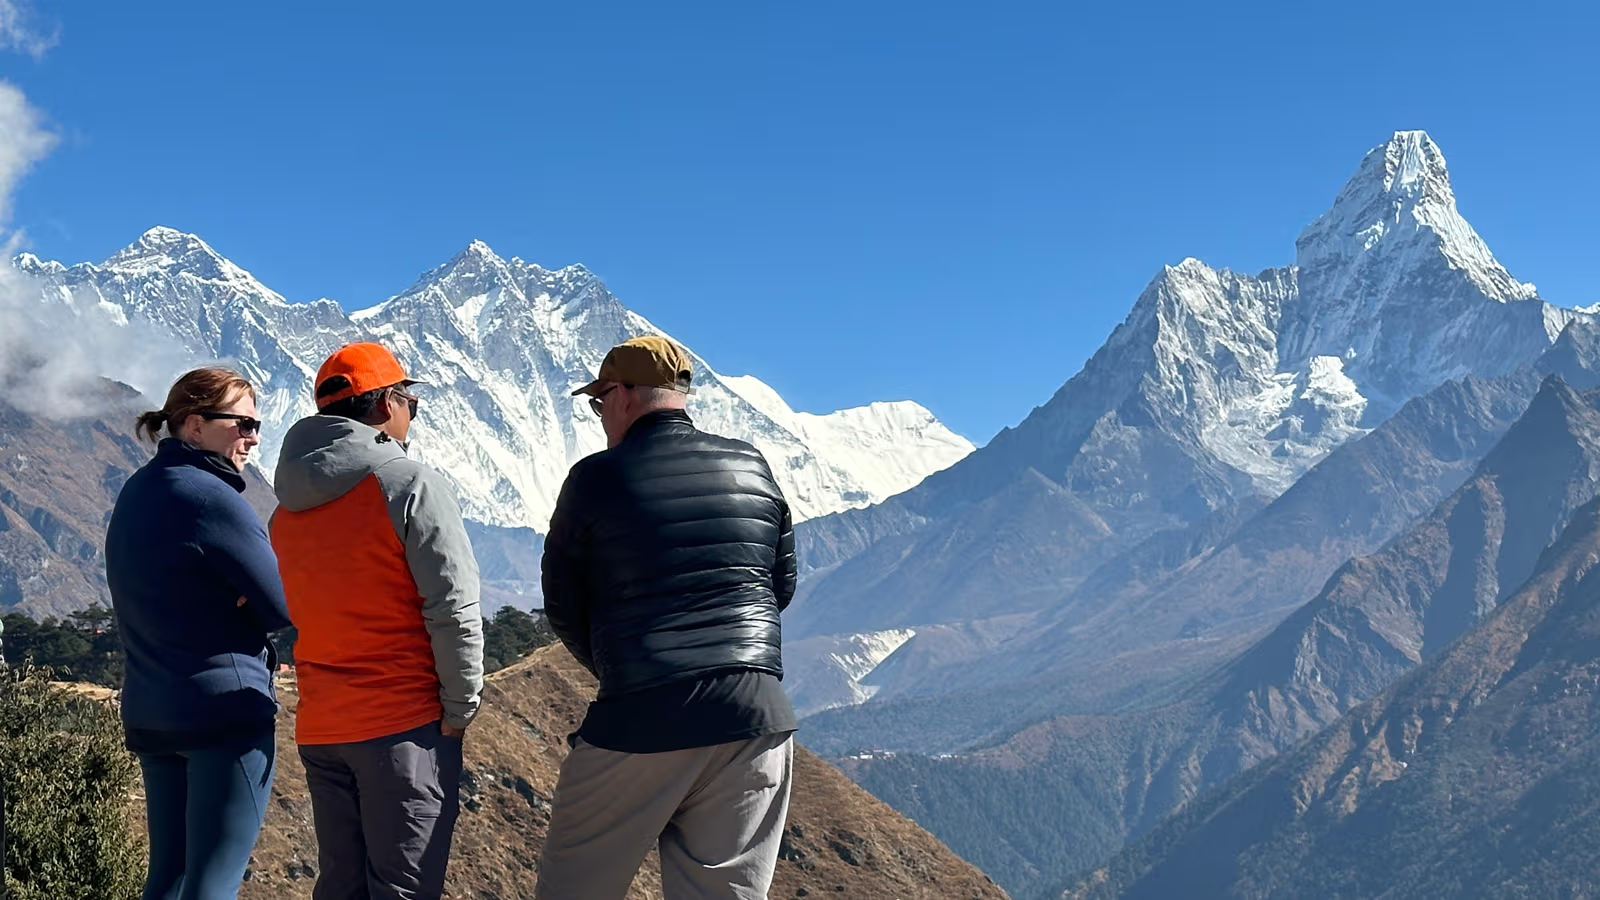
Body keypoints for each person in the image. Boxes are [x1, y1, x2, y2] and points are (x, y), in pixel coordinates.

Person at [537, 335, 799, 900]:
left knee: (573, 887)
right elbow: (780, 585)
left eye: (599, 400)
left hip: (640, 715)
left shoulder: (595, 478)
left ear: (626, 394)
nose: (600, 413)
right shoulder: (751, 464)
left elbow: (561, 602)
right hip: (754, 715)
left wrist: (621, 666)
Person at [269, 341, 483, 900]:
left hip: (322, 727)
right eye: (411, 400)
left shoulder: (286, 508)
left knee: (341, 886)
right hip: (401, 724)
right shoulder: (406, 484)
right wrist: (460, 707)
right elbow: (452, 606)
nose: (411, 413)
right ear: (388, 402)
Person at [105, 366, 292, 900]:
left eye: (258, 425)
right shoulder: (212, 497)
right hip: (224, 714)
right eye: (242, 424)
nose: (254, 438)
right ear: (193, 426)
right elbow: (282, 601)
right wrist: (247, 596)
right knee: (213, 884)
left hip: (152, 713)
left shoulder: (138, 491)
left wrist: (238, 592)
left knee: (169, 879)